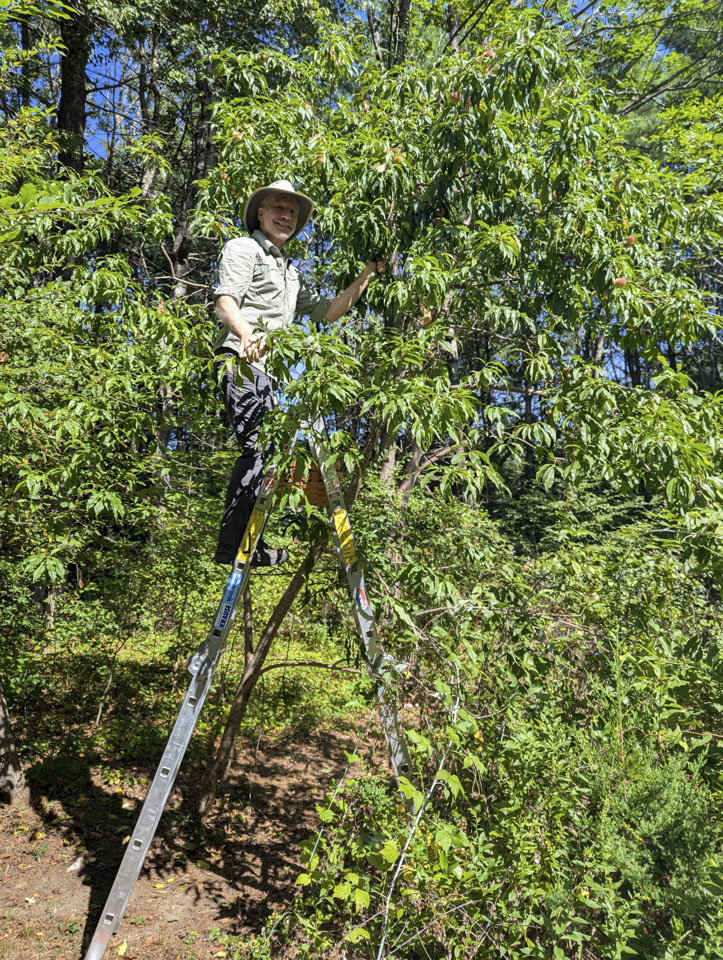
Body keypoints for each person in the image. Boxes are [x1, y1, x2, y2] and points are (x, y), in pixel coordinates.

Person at [213, 178, 383, 566]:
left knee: (270, 452)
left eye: (291, 211)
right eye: (278, 208)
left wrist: (368, 274)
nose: (286, 216)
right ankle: (233, 547)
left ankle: (247, 544)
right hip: (243, 360)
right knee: (258, 449)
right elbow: (225, 299)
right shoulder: (244, 248)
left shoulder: (290, 271)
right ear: (261, 214)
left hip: (271, 373)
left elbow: (328, 310)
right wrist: (246, 334)